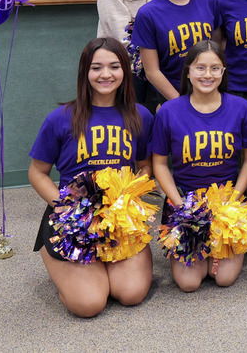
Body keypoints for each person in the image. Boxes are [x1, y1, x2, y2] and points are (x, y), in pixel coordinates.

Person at [27, 38, 154, 317]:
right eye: (96, 67)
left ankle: (105, 267)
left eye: (114, 66)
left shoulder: (141, 115)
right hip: (73, 221)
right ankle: (55, 254)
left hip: (119, 220)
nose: (105, 74)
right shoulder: (60, 118)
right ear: (85, 71)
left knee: (131, 293)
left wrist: (130, 196)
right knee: (89, 304)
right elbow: (37, 172)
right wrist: (65, 208)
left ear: (125, 71)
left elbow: (145, 166)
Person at [151, 40, 247, 291]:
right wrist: (179, 205)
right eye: (200, 68)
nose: (207, 75)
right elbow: (160, 164)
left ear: (223, 72)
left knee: (223, 278)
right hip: (185, 204)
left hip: (227, 204)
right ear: (188, 71)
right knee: (189, 283)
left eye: (215, 68)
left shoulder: (241, 108)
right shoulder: (168, 111)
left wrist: (233, 199)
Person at [131, 0, 218, 106]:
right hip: (171, 97)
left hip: (209, 91)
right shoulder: (148, 14)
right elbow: (152, 72)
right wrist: (180, 105)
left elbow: (218, 44)